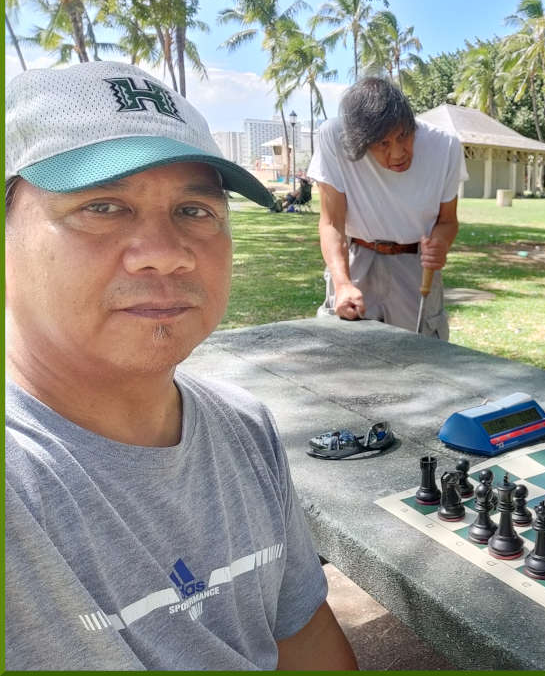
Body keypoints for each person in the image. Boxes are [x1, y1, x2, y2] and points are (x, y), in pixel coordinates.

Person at [4, 61, 358, 670]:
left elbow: (305, 642)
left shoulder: (244, 429)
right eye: (103, 206)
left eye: (195, 211)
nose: (166, 256)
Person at [308, 77, 466, 338]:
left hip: (416, 268)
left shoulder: (445, 145)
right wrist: (342, 283)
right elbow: (331, 222)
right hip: (357, 261)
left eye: (404, 136)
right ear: (361, 142)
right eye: (382, 144)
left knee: (422, 358)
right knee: (346, 356)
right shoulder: (334, 137)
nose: (398, 153)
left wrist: (440, 244)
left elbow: (448, 221)